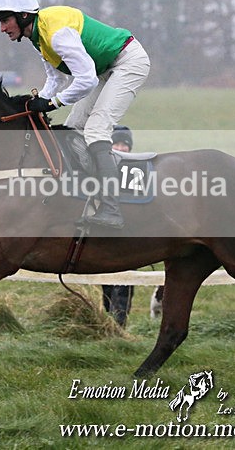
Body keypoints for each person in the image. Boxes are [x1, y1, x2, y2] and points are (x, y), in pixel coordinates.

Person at [0, 0, 151, 229]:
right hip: (104, 69)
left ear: (23, 15)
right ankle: (84, 197)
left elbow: (86, 80)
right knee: (72, 130)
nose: (2, 28)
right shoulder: (37, 35)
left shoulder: (56, 34)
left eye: (4, 20)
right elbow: (57, 79)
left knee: (96, 130)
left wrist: (52, 103)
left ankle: (112, 209)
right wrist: (36, 102)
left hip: (128, 63)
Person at [101, 125, 135, 326]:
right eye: (117, 144)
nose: (121, 148)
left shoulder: (136, 170)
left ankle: (119, 326)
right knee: (106, 284)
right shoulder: (101, 169)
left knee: (123, 286)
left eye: (125, 144)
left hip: (129, 236)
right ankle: (107, 323)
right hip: (106, 234)